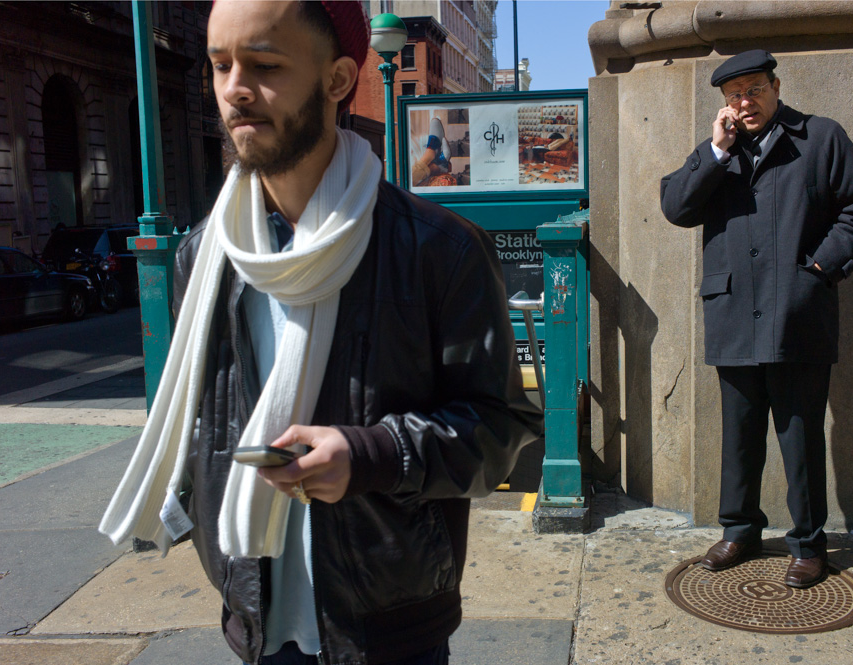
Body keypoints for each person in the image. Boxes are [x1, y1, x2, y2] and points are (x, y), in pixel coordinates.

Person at [99, 2, 542, 664]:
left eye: (264, 65)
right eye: (220, 65)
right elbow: (203, 420)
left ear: (338, 80)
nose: (234, 89)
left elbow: (500, 431)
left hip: (391, 628)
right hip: (255, 621)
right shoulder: (204, 254)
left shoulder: (438, 251)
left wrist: (372, 454)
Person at [659, 50, 853, 588]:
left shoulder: (821, 137)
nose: (745, 102)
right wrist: (714, 150)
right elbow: (675, 207)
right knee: (739, 434)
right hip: (734, 310)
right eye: (734, 95)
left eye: (755, 89)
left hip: (797, 313)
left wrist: (820, 268)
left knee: (799, 434)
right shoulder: (719, 152)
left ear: (775, 86)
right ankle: (740, 532)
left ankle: (808, 544)